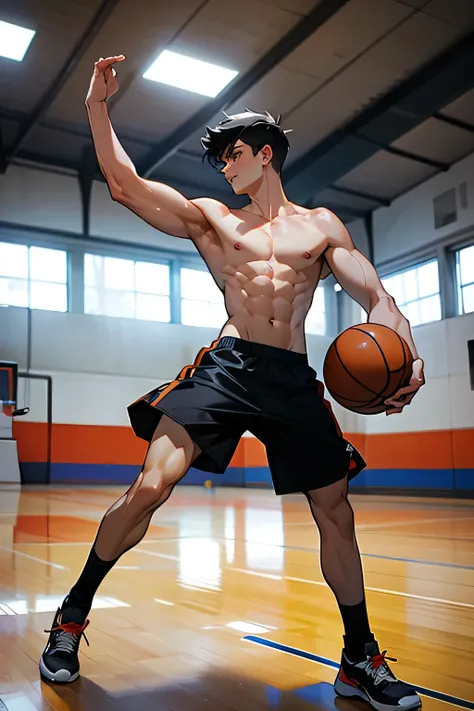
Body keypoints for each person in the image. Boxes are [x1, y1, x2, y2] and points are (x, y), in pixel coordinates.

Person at [40, 56, 425, 709]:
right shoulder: (214, 218)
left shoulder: (322, 225)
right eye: (220, 159)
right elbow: (125, 185)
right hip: (229, 363)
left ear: (266, 154)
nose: (225, 166)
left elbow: (378, 297)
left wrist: (405, 350)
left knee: (337, 511)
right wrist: (97, 108)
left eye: (235, 153)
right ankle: (70, 619)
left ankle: (359, 657)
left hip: (291, 378)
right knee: (151, 484)